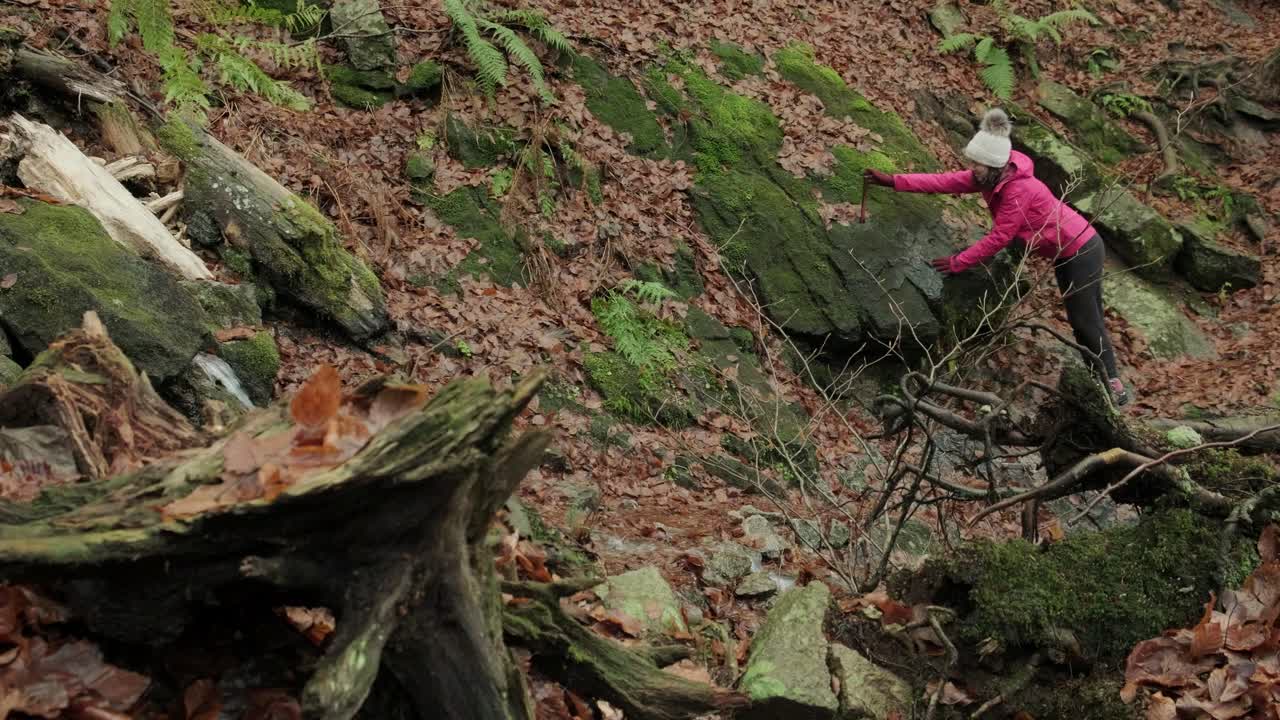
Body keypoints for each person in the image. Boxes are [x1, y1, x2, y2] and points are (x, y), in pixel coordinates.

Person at [864, 108, 1130, 406]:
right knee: (1081, 319)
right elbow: (944, 182)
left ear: (993, 165)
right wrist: (892, 181)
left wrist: (957, 262)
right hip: (1065, 249)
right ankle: (1102, 380)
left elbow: (1000, 237)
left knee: (1085, 319)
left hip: (1081, 249)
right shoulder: (990, 177)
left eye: (976, 163)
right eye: (972, 162)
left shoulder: (1019, 189)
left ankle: (1113, 385)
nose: (972, 167)